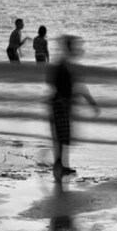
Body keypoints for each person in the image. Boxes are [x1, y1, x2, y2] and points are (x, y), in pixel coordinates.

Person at [47, 35, 100, 177]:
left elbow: (52, 82)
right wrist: (91, 102)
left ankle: (60, 165)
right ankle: (60, 165)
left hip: (59, 103)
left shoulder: (62, 64)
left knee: (61, 136)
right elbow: (79, 86)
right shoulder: (67, 65)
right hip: (61, 104)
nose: (77, 50)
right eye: (74, 47)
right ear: (69, 48)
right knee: (62, 136)